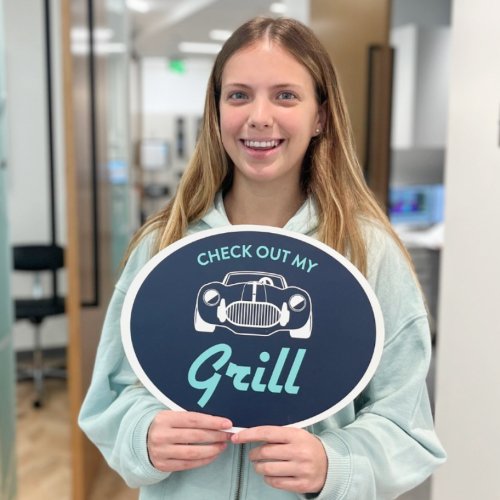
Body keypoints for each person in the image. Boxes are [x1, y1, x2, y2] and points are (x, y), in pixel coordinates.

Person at [79, 16, 446, 499]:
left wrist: (333, 463)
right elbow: (113, 395)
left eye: (285, 95)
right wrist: (142, 433)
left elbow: (406, 427)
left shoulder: (367, 252)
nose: (259, 116)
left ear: (321, 116)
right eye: (238, 95)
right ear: (215, 112)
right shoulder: (164, 243)